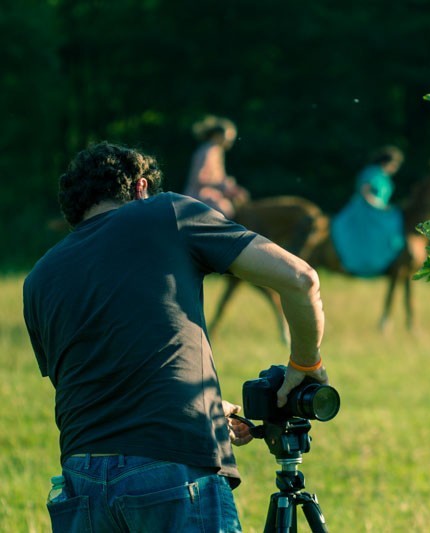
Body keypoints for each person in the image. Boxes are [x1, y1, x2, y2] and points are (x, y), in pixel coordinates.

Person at [23, 141, 328, 532]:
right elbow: (300, 279)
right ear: (141, 188)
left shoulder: (39, 277)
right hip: (172, 470)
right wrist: (305, 364)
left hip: (79, 483)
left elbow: (96, 378)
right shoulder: (165, 211)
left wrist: (203, 406)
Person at [330, 145, 406, 276]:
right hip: (365, 211)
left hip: (377, 212)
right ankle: (366, 263)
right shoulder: (372, 173)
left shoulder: (384, 176)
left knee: (394, 220)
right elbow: (365, 194)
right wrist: (380, 206)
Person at [184, 115, 250, 218]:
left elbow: (220, 178)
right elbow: (199, 179)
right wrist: (223, 186)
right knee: (224, 209)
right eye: (228, 136)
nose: (230, 140)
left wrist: (233, 188)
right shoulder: (207, 151)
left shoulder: (217, 151)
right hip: (198, 194)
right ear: (218, 135)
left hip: (211, 193)